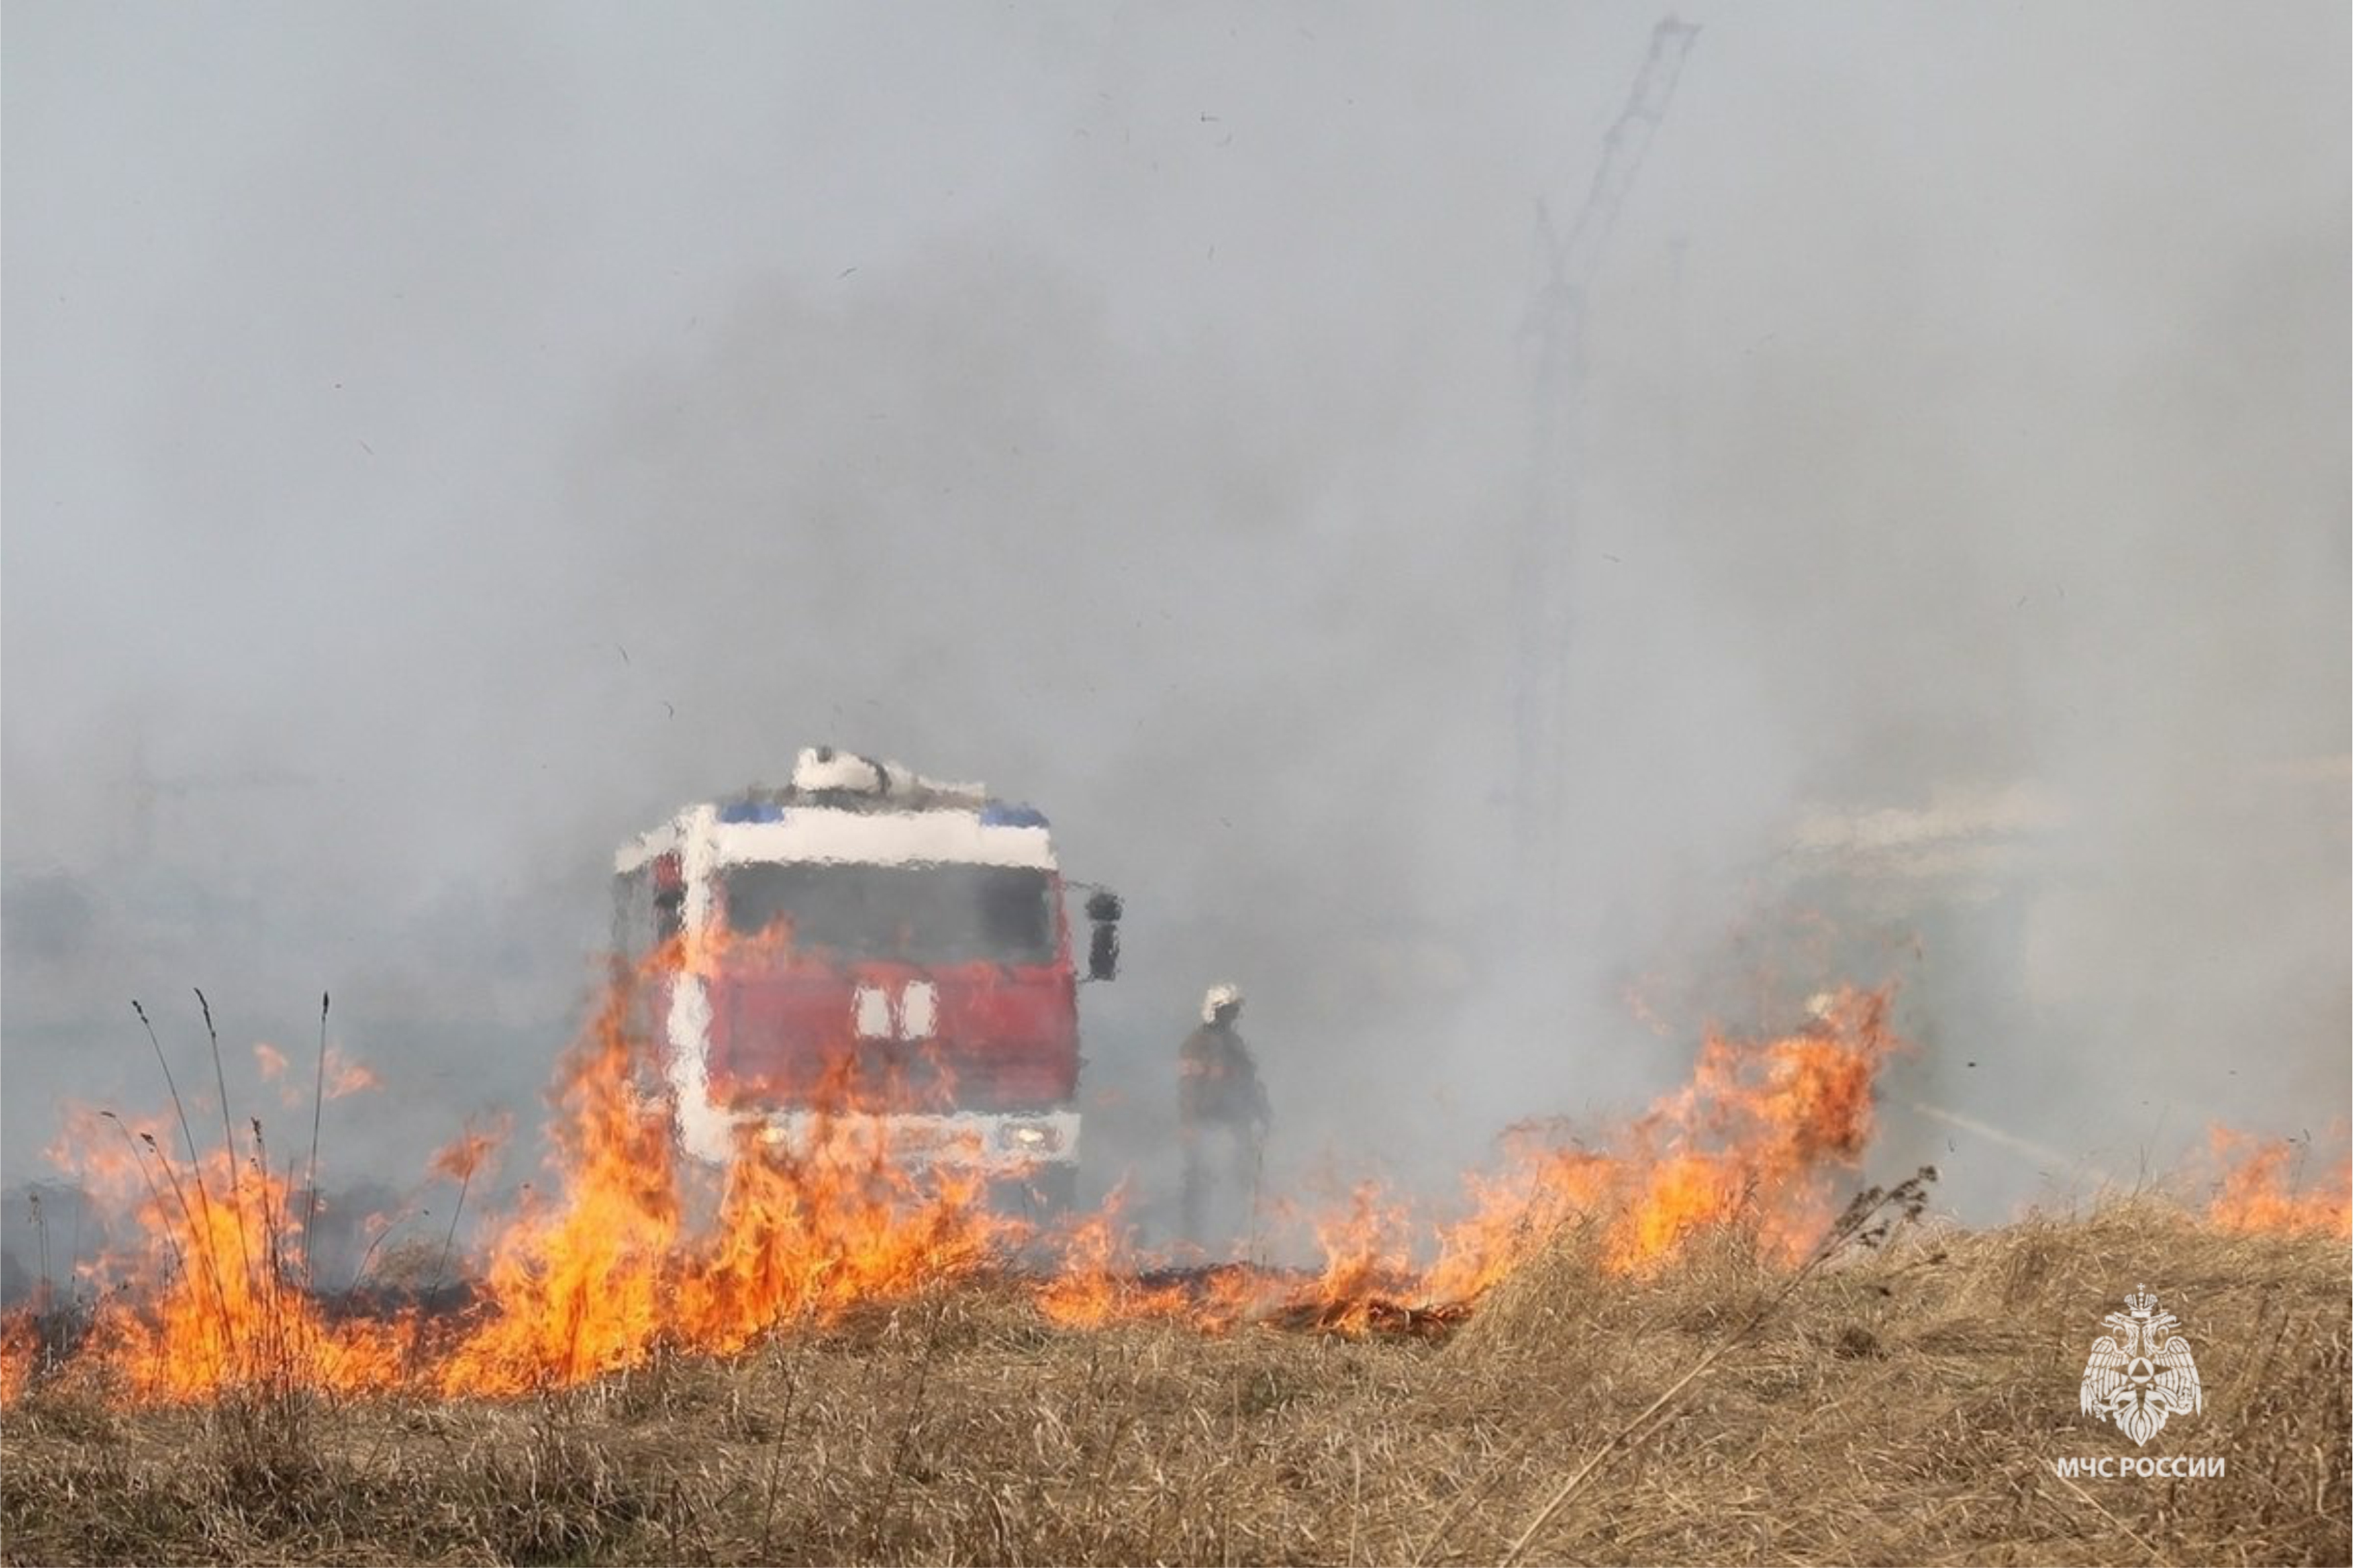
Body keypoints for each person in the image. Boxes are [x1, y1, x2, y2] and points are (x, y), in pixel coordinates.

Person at [1177, 982, 1270, 1246]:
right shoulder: (1197, 1044)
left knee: (1241, 1177)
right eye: (1227, 1010)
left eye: (1234, 1010)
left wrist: (1262, 1112)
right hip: (1207, 1121)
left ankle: (1236, 1239)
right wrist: (1189, 1122)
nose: (1232, 1015)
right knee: (1202, 1181)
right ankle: (1194, 1242)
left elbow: (1249, 1083)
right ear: (1213, 1011)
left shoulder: (1235, 1043)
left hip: (1235, 1121)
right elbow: (1188, 1086)